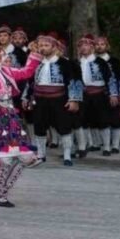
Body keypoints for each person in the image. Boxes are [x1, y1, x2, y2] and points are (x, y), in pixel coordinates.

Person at [0, 41, 42, 207]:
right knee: (2, 159)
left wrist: (34, 54)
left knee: (24, 159)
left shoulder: (4, 70)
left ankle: (0, 192)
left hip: (9, 117)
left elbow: (26, 72)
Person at [23, 34, 82, 166]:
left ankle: (67, 155)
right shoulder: (35, 62)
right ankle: (41, 154)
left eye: (46, 45)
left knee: (64, 127)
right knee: (39, 126)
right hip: (39, 99)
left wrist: (74, 99)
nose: (43, 48)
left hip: (59, 99)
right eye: (41, 46)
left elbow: (74, 81)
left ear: (54, 47)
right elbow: (29, 82)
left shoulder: (65, 63)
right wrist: (26, 97)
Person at [74, 35, 117, 157]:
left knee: (103, 120)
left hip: (99, 94)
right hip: (82, 94)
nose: (83, 48)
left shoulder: (101, 62)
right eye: (81, 46)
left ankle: (107, 147)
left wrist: (113, 94)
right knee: (80, 120)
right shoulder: (76, 63)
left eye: (86, 45)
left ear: (92, 47)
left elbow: (110, 79)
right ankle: (82, 147)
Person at [94, 36, 120, 155]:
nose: (99, 46)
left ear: (107, 46)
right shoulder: (93, 61)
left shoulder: (114, 61)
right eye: (97, 44)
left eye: (102, 44)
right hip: (99, 94)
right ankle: (106, 146)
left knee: (115, 119)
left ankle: (115, 145)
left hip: (114, 93)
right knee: (103, 120)